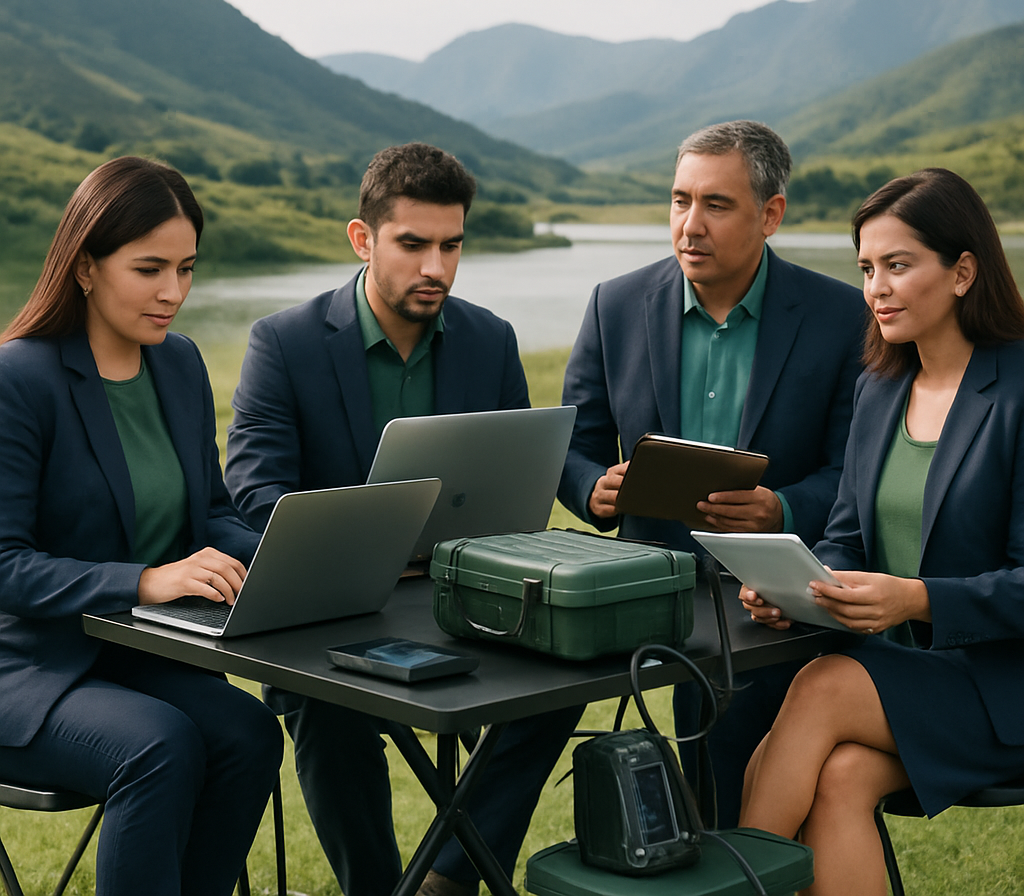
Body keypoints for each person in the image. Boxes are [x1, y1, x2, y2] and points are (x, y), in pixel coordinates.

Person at [225, 142, 582, 896]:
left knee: (565, 678)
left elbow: (517, 489)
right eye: (414, 244)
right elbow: (255, 492)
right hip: (334, 613)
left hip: (460, 597)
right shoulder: (282, 344)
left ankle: (446, 881)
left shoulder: (490, 339)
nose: (437, 268)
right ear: (364, 239)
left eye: (452, 245)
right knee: (328, 715)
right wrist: (370, 551)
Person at [557, 120, 865, 825]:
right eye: (678, 200)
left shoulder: (841, 315)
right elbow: (570, 446)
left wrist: (781, 509)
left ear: (771, 214)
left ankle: (730, 856)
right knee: (532, 696)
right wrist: (591, 489)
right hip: (643, 587)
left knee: (727, 737)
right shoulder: (615, 304)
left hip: (773, 595)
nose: (689, 225)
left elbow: (855, 468)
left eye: (716, 205)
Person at [0, 157, 283, 896]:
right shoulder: (18, 379)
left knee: (249, 733)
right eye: (150, 268)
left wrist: (298, 553)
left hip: (134, 654)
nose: (173, 293)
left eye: (186, 268)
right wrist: (148, 580)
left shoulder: (179, 364)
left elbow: (211, 513)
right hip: (26, 667)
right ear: (86, 266)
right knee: (159, 746)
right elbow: (4, 563)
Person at [739, 168, 1024, 896]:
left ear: (963, 272)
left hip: (1001, 680)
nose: (876, 289)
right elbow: (845, 541)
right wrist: (799, 585)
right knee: (837, 781)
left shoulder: (1018, 393)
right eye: (867, 268)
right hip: (904, 678)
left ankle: (732, 886)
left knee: (821, 685)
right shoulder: (879, 388)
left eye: (898, 265)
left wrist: (917, 599)